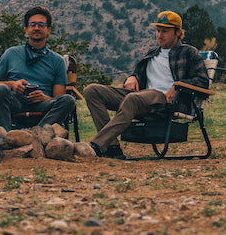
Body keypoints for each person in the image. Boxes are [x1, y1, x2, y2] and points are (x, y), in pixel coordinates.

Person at [85, 10, 210, 160]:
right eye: (158, 31)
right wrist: (132, 77)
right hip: (141, 99)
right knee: (91, 90)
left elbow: (203, 82)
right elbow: (138, 75)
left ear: (178, 33)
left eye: (165, 31)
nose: (160, 35)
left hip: (166, 101)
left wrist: (177, 86)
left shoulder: (188, 52)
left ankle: (97, 146)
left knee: (133, 98)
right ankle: (112, 147)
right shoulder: (152, 54)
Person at [0, 7, 77, 132]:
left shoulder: (57, 60)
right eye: (32, 24)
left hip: (42, 106)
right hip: (15, 102)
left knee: (68, 100)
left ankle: (36, 135)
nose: (36, 28)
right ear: (26, 30)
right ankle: (4, 139)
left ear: (48, 30)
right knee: (0, 89)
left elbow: (58, 97)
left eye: (41, 25)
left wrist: (44, 97)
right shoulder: (11, 54)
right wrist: (12, 85)